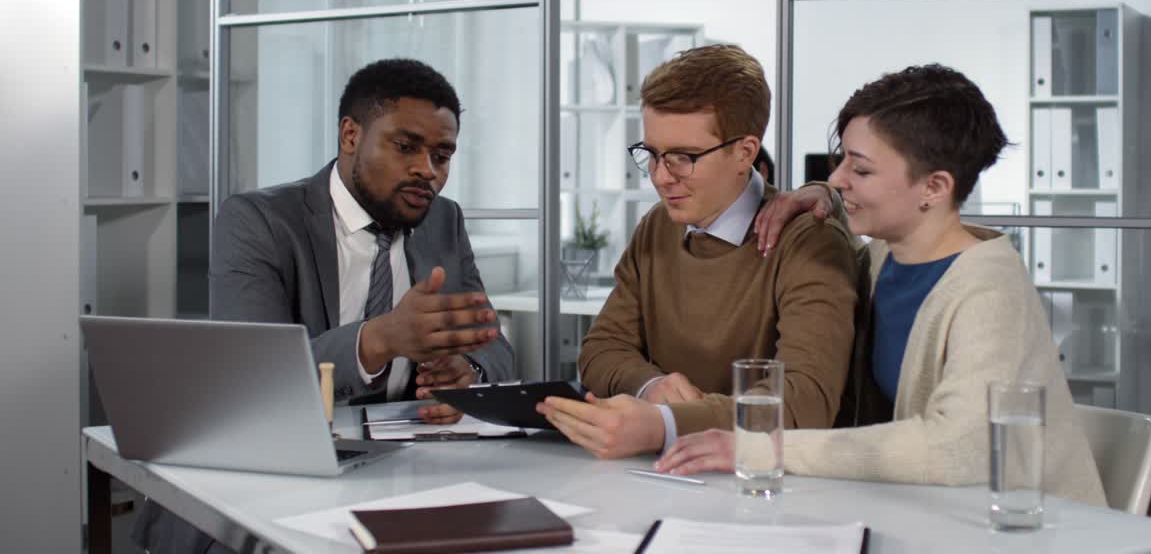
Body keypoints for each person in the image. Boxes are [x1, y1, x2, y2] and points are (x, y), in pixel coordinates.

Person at [655, 64, 1106, 506]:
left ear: (934, 187)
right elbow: (837, 207)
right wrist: (822, 195)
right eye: (842, 160)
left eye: (862, 170)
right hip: (930, 512)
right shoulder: (882, 256)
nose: (837, 177)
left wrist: (763, 446)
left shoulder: (989, 293)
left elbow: (954, 448)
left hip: (1029, 530)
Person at [133, 58, 516, 553]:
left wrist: (466, 370)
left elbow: (497, 350)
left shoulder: (444, 220)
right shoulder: (258, 221)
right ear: (351, 135)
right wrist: (378, 340)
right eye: (406, 147)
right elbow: (253, 382)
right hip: (275, 472)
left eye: (443, 155)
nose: (428, 170)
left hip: (401, 472)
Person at [537, 45, 861, 459]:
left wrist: (667, 424)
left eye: (682, 158)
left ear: (745, 153)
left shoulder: (809, 241)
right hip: (662, 476)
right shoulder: (656, 227)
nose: (659, 177)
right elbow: (600, 351)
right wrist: (648, 385)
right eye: (651, 154)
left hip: (770, 489)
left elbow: (803, 402)